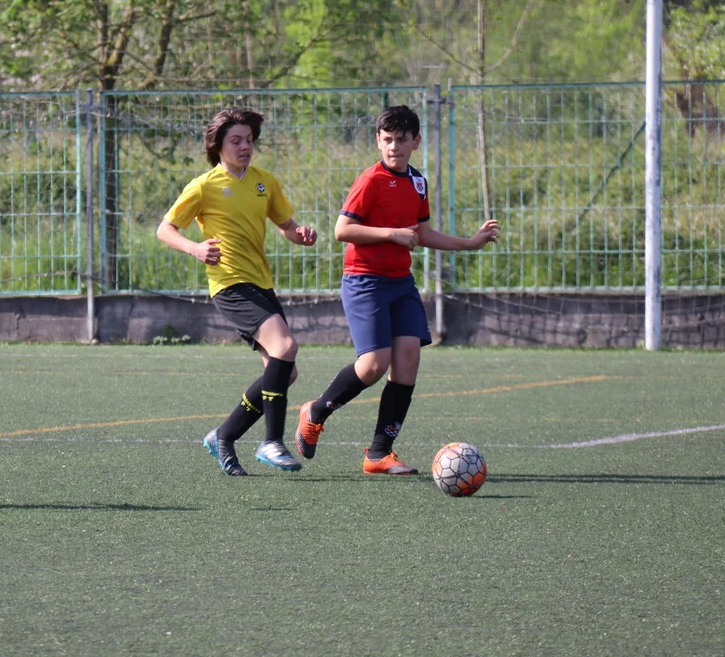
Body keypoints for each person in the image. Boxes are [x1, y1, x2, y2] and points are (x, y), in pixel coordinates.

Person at [294, 105, 499, 475]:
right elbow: (342, 230)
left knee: (407, 361)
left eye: (401, 140)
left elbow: (422, 233)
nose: (394, 147)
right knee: (374, 365)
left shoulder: (418, 182)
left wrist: (470, 243)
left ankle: (378, 454)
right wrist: (391, 234)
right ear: (378, 140)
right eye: (387, 139)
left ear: (415, 142)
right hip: (364, 281)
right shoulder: (370, 181)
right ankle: (316, 412)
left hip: (401, 284)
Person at [157, 108, 318, 476]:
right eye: (236, 141)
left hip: (260, 283)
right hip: (229, 284)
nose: (245, 147)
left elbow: (286, 225)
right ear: (218, 146)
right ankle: (272, 442)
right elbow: (165, 229)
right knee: (285, 347)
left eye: (249, 140)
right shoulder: (204, 186)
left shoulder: (264, 181)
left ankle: (224, 436)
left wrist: (300, 235)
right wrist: (195, 248)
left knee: (285, 372)